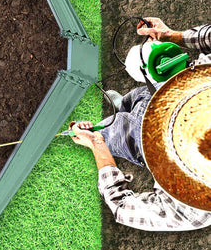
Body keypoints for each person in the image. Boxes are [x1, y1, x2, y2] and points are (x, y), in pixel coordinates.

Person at [70, 18, 211, 230]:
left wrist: (97, 144)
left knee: (113, 133)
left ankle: (116, 122)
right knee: (138, 96)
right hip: (175, 87)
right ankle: (122, 105)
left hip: (140, 142)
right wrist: (171, 35)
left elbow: (122, 207)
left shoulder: (198, 207)